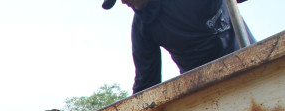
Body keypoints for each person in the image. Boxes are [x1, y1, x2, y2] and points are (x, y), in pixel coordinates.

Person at [102, 0, 255, 94]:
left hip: (250, 66)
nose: (122, 1)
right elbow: (146, 84)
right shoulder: (143, 25)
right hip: (204, 89)